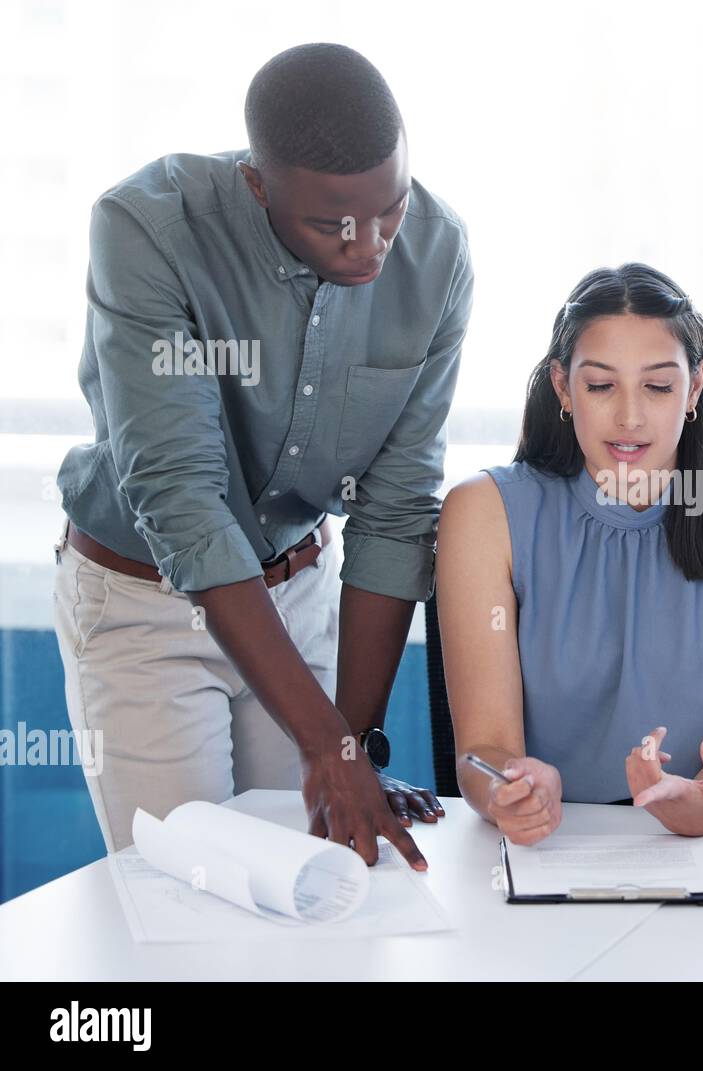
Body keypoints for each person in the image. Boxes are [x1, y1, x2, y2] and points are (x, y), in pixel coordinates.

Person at [52, 43, 472, 869]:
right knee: (198, 896)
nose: (370, 249)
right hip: (147, 604)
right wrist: (328, 745)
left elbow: (396, 509)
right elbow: (182, 498)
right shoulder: (147, 230)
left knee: (326, 881)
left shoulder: (439, 253)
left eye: (388, 211)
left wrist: (349, 745)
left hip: (297, 590)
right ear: (256, 182)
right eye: (331, 225)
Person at [436, 263, 703, 844]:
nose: (630, 416)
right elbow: (482, 752)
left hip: (702, 845)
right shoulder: (484, 511)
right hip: (549, 848)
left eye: (658, 386)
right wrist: (510, 789)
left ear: (695, 387)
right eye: (600, 385)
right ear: (563, 387)